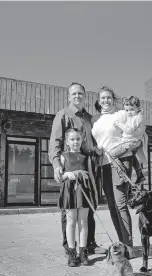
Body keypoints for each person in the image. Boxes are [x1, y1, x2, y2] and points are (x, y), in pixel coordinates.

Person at [48, 82, 107, 260]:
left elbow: (93, 142)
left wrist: (97, 150)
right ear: (69, 96)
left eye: (80, 94)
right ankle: (70, 248)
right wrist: (57, 164)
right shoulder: (63, 115)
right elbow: (55, 142)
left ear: (84, 96)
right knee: (71, 208)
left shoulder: (90, 118)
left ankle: (88, 244)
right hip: (70, 166)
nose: (77, 96)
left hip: (88, 166)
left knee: (88, 206)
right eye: (74, 94)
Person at [91, 86, 136, 251]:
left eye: (109, 97)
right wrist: (96, 149)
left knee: (120, 204)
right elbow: (96, 142)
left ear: (113, 99)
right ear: (98, 101)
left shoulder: (121, 114)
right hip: (103, 165)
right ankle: (122, 242)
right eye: (102, 98)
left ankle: (128, 246)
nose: (106, 100)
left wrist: (121, 152)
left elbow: (134, 136)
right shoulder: (94, 119)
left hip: (119, 163)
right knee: (112, 206)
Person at [58, 129, 98, 267]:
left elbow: (91, 175)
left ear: (82, 140)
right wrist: (68, 174)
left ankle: (83, 252)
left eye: (78, 139)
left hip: (84, 190)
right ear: (67, 142)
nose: (75, 142)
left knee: (83, 222)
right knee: (70, 222)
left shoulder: (85, 157)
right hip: (70, 190)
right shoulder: (64, 156)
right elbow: (58, 177)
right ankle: (71, 253)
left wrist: (94, 194)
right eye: (72, 139)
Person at [109, 96, 147, 184]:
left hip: (129, 143)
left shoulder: (136, 118)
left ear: (138, 108)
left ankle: (122, 174)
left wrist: (118, 123)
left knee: (111, 155)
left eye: (131, 110)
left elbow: (129, 130)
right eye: (127, 110)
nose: (129, 113)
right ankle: (140, 174)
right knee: (132, 156)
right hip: (133, 143)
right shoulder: (137, 116)